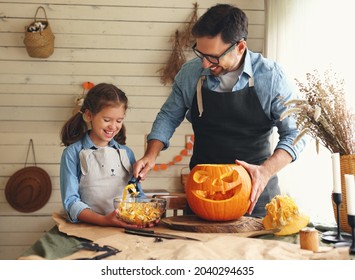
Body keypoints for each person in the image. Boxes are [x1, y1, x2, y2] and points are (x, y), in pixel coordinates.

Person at [133, 4, 306, 217]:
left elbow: (296, 134)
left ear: (240, 47)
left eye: (214, 57)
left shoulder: (271, 77)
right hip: (203, 194)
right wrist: (151, 154)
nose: (205, 64)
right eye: (201, 53)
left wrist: (265, 171)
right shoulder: (191, 73)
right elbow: (169, 116)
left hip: (255, 196)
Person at [60, 83, 144, 227]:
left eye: (119, 121)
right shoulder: (72, 153)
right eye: (107, 120)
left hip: (125, 227)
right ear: (89, 116)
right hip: (88, 227)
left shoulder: (127, 153)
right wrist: (104, 221)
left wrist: (144, 212)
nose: (113, 126)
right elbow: (71, 202)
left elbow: (137, 194)